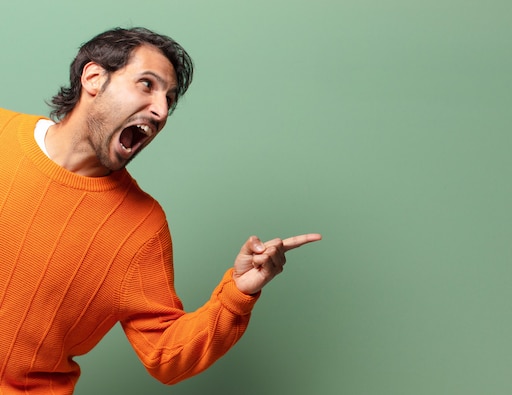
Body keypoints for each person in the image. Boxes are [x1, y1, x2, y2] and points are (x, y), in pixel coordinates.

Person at [0, 27, 321, 394]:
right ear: (94, 78)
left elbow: (166, 354)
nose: (161, 110)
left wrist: (237, 294)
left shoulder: (141, 227)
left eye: (169, 98)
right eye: (146, 85)